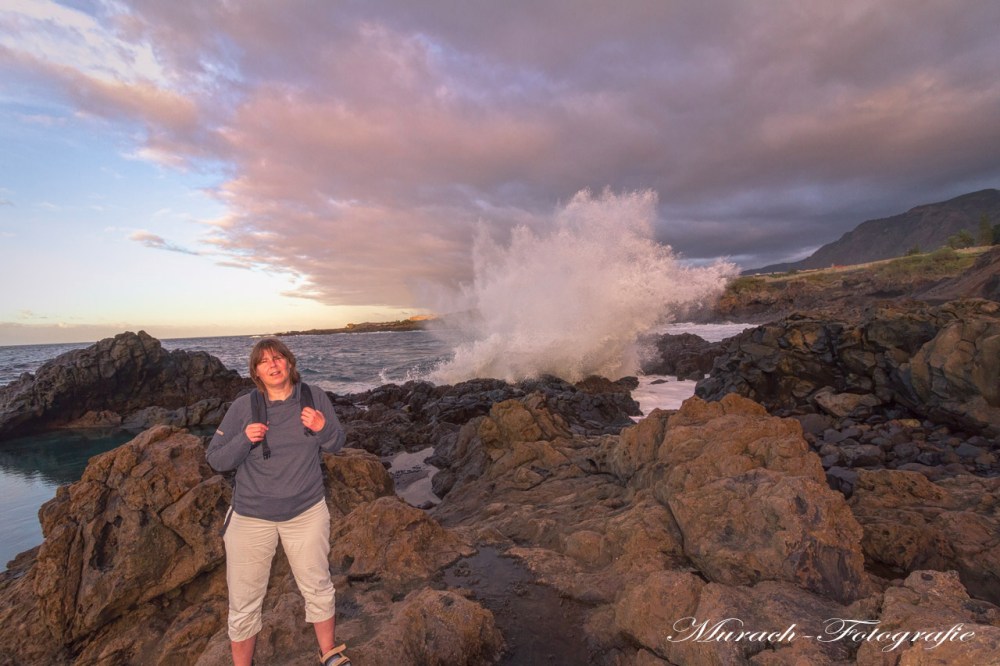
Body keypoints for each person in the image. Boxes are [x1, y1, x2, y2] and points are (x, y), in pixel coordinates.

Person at [207, 338, 351, 666]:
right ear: (256, 371)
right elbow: (215, 458)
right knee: (244, 600)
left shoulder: (314, 398)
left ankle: (328, 654)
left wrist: (322, 427)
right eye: (264, 361)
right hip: (251, 516)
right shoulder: (244, 407)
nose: (273, 365)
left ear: (289, 362)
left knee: (317, 585)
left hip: (307, 512)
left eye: (278, 358)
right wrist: (244, 439)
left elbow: (337, 443)